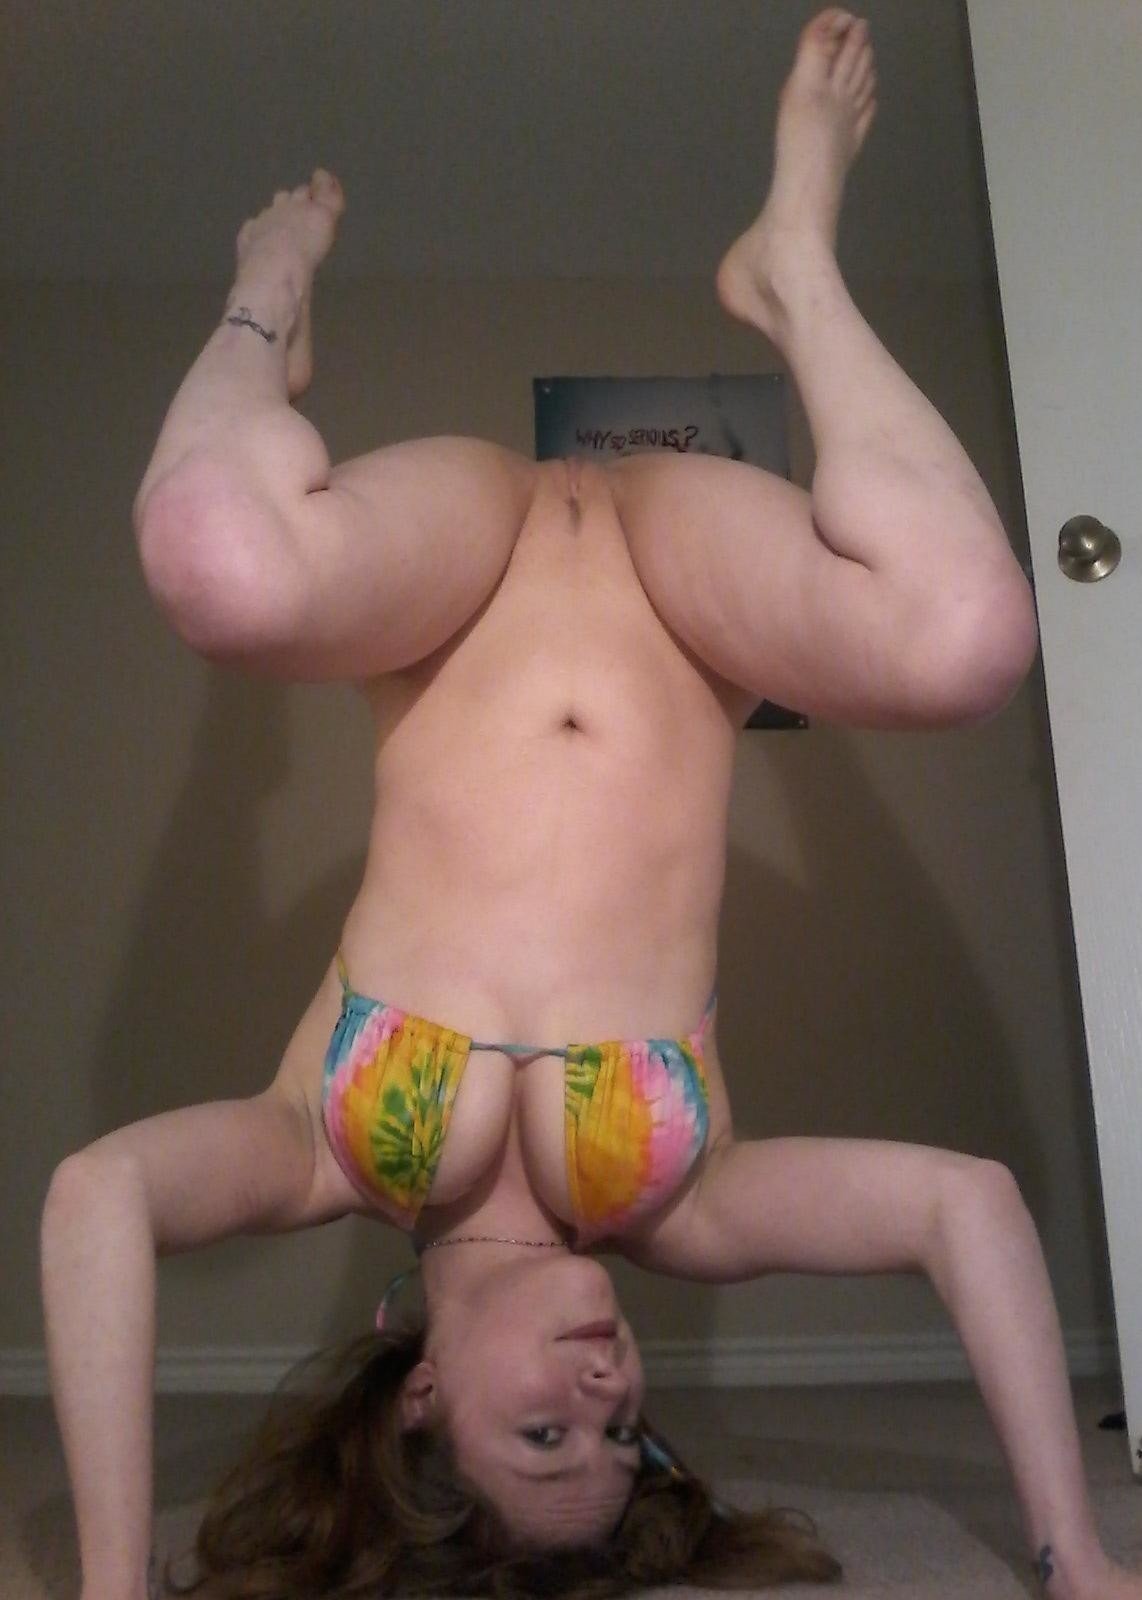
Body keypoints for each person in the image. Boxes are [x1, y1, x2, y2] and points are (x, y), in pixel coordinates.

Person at [38, 9, 1140, 1599]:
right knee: (967, 634)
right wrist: (1073, 1551)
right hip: (673, 587)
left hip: (464, 576)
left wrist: (105, 1583)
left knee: (219, 565)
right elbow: (962, 1204)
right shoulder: (685, 1204)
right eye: (623, 1439)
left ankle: (264, 297)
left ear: (421, 1394)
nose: (608, 1394)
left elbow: (99, 1196)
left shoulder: (318, 1152)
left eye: (543, 1435)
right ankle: (795, 270)